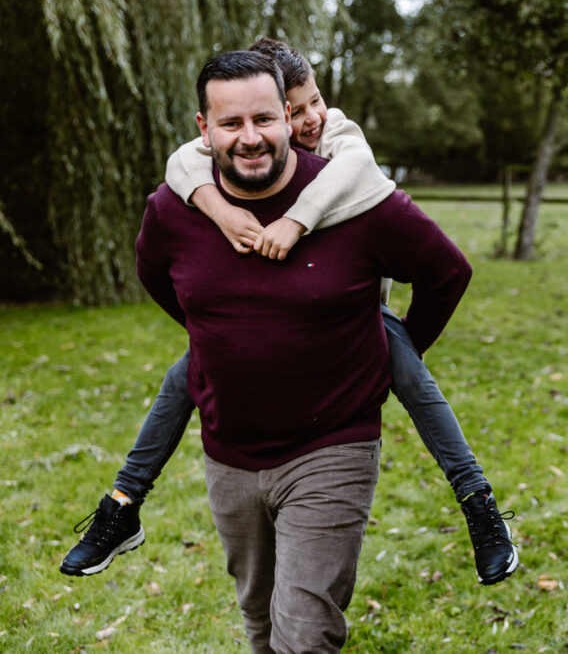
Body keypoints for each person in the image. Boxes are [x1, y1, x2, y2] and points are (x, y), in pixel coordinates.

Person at [60, 38, 518, 587]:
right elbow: (182, 163)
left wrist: (298, 226)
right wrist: (219, 218)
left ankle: (477, 500)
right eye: (295, 111)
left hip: (356, 320)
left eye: (309, 103)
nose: (309, 120)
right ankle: (123, 503)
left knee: (414, 380)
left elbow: (359, 176)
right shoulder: (228, 147)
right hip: (245, 398)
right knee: (182, 377)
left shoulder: (338, 136)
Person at [137, 49, 471, 651]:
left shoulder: (357, 197)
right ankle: (123, 500)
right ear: (204, 129)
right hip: (229, 451)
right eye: (231, 123)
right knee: (260, 617)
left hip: (332, 445)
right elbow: (159, 277)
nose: (250, 137)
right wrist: (219, 336)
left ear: (288, 119)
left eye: (265, 119)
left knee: (305, 633)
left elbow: (446, 272)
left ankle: (479, 501)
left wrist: (383, 356)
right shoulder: (174, 208)